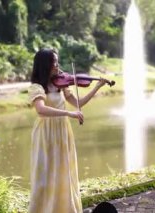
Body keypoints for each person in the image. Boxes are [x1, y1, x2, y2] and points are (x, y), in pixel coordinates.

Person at [28, 48, 106, 213]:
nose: (57, 66)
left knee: (64, 172)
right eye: (53, 62)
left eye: (57, 61)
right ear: (44, 65)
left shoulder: (60, 85)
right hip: (45, 134)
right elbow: (41, 110)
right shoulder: (36, 87)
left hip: (62, 131)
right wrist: (68, 113)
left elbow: (79, 103)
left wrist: (97, 87)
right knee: (45, 175)